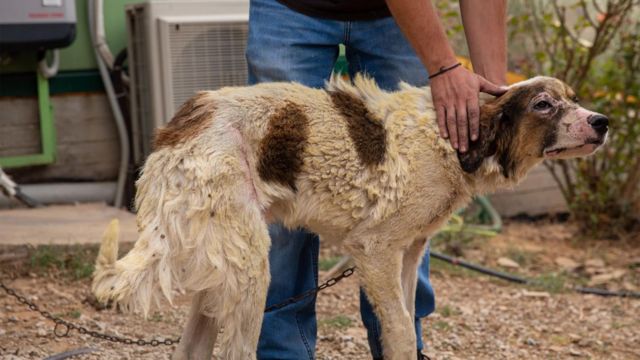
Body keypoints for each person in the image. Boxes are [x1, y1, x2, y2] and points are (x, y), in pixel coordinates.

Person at [245, 0, 507, 359]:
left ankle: (401, 351)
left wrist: (498, 100)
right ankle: (281, 353)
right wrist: (443, 66)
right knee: (279, 183)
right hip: (291, 8)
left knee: (415, 192)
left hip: (398, 18)